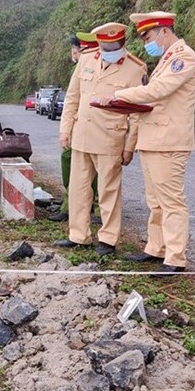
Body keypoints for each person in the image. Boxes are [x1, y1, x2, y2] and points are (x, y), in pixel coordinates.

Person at [102, 11, 195, 274]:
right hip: (153, 139)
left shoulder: (184, 58)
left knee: (171, 201)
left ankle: (175, 257)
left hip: (169, 142)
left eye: (147, 36)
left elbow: (157, 92)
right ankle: (156, 248)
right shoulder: (167, 60)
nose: (147, 42)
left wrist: (117, 95)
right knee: (155, 201)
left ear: (164, 31)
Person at [56, 22, 144, 256]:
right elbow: (72, 97)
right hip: (81, 135)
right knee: (78, 188)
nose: (107, 50)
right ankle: (78, 235)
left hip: (110, 139)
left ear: (122, 44)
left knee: (109, 191)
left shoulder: (136, 68)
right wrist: (65, 130)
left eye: (112, 46)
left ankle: (107, 240)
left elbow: (136, 114)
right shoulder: (87, 59)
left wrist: (129, 146)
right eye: (104, 46)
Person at [50, 33, 101, 223]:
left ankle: (95, 209)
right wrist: (66, 130)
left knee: (96, 170)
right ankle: (70, 206)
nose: (74, 55)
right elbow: (71, 100)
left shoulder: (97, 67)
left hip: (95, 128)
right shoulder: (80, 69)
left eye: (75, 51)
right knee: (71, 164)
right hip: (77, 128)